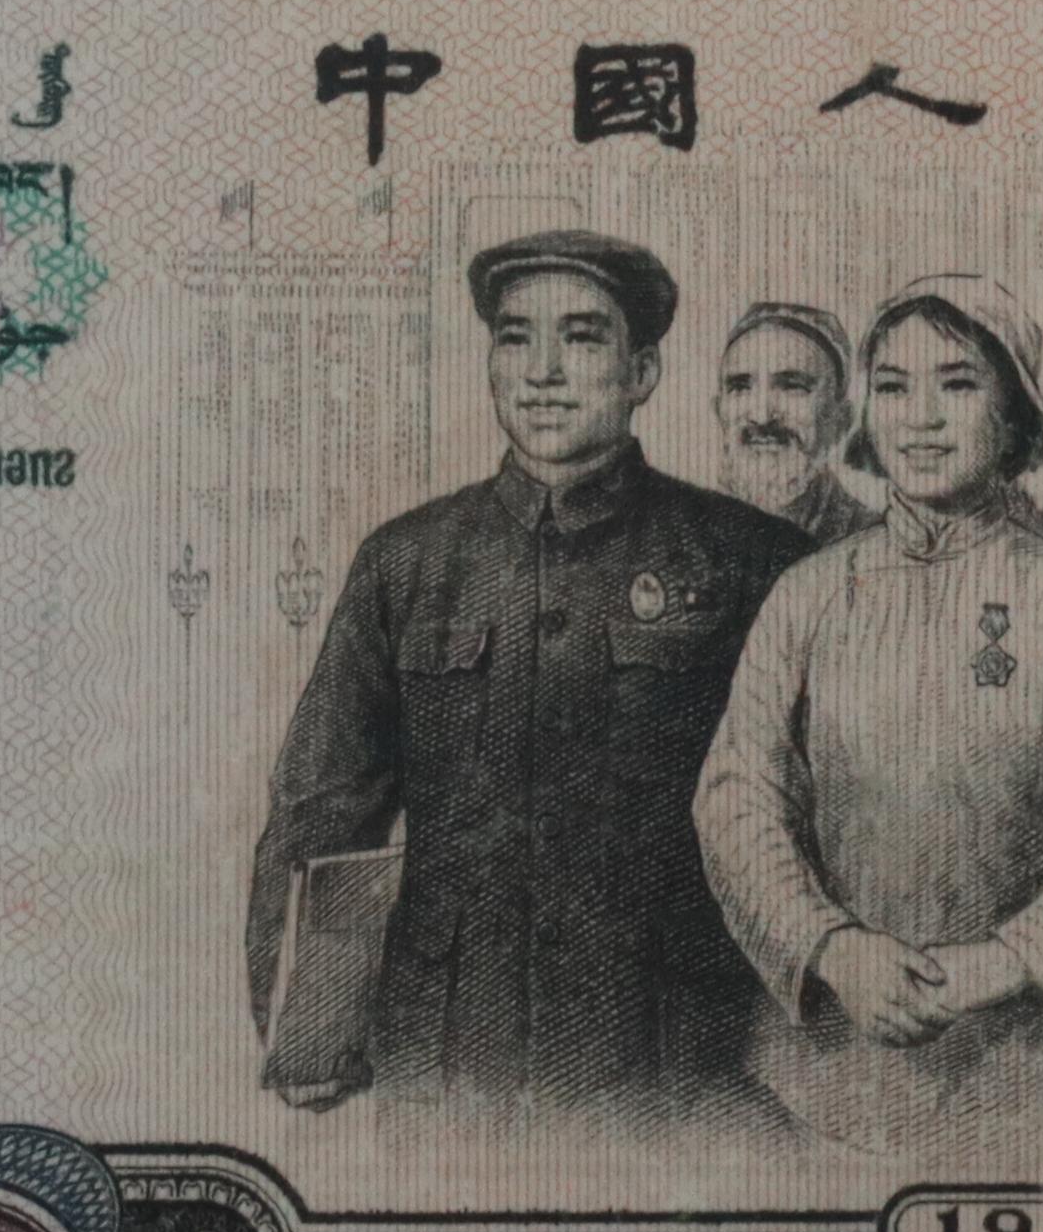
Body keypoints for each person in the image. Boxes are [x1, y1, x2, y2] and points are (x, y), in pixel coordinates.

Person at [251, 228, 815, 1120]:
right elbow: (321, 811)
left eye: (582, 337)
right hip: (444, 1064)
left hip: (675, 1064)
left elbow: (818, 817)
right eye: (516, 338)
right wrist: (307, 1030)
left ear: (642, 372)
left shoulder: (754, 558)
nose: (543, 371)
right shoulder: (406, 562)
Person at [696, 276, 1043, 1165]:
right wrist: (832, 946)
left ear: (1013, 415)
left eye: (957, 384)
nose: (921, 417)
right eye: (894, 386)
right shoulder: (808, 594)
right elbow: (737, 797)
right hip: (835, 1086)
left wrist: (1007, 960)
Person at [709, 297, 869, 548]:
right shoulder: (684, 535)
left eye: (792, 386)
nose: (762, 416)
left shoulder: (874, 541)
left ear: (841, 419)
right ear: (719, 411)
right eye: (740, 387)